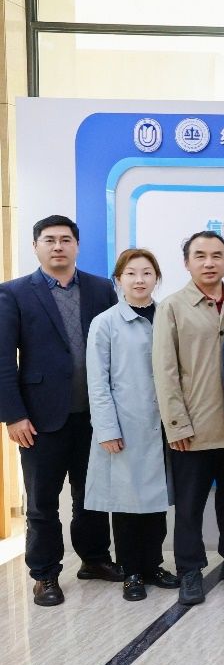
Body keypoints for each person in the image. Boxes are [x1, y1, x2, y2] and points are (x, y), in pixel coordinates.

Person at [0, 215, 122, 606]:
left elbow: (116, 350)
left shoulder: (102, 289)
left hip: (94, 416)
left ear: (77, 245)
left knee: (92, 496)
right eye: (49, 239)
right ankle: (45, 574)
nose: (58, 246)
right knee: (42, 503)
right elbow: (3, 359)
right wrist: (13, 415)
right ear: (36, 246)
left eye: (65, 239)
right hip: (39, 418)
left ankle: (94, 559)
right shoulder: (14, 293)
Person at [154, 230, 224, 606]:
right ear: (186, 262)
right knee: (190, 506)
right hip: (192, 428)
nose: (209, 262)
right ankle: (189, 570)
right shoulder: (172, 307)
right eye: (200, 255)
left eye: (217, 255)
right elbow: (165, 371)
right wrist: (176, 424)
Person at [85, 248, 179, 601]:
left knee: (156, 501)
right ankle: (132, 572)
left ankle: (153, 565)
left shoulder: (167, 315)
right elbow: (98, 382)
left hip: (164, 424)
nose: (139, 280)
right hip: (126, 426)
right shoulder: (106, 322)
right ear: (118, 280)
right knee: (127, 503)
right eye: (131, 274)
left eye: (147, 273)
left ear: (157, 278)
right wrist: (107, 429)